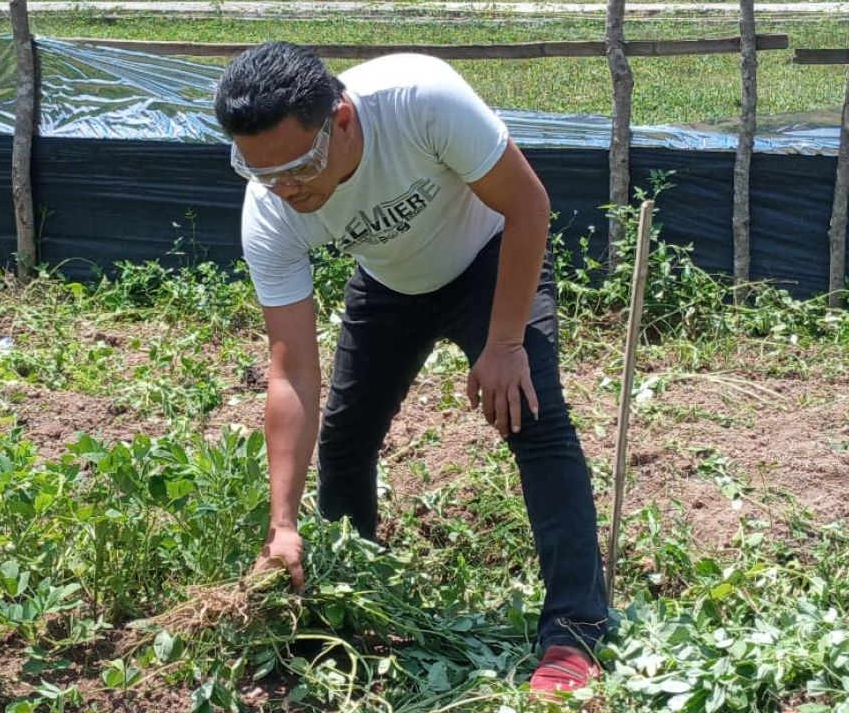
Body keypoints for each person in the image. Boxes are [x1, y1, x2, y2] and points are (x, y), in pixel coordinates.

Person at [214, 41, 607, 699]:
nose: (288, 188)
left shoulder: (421, 100)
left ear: (340, 121)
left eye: (300, 166)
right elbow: (291, 377)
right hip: (392, 283)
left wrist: (505, 343)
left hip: (489, 255)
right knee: (344, 441)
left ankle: (574, 631)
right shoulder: (272, 211)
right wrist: (282, 522)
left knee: (531, 417)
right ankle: (350, 609)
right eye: (264, 174)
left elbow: (528, 205)